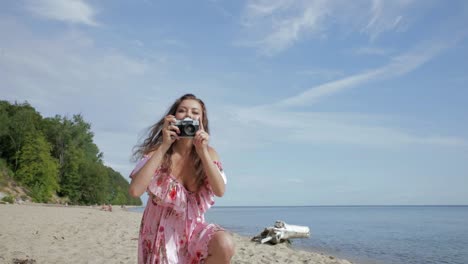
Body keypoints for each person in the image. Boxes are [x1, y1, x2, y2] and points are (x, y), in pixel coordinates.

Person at [129, 94, 235, 264]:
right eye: (182, 111)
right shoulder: (159, 153)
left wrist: (202, 151)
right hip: (161, 233)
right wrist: (164, 146)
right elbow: (135, 191)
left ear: (202, 121)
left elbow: (220, 190)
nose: (188, 116)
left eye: (195, 112)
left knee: (224, 243)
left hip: (194, 231)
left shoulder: (209, 153)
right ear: (172, 117)